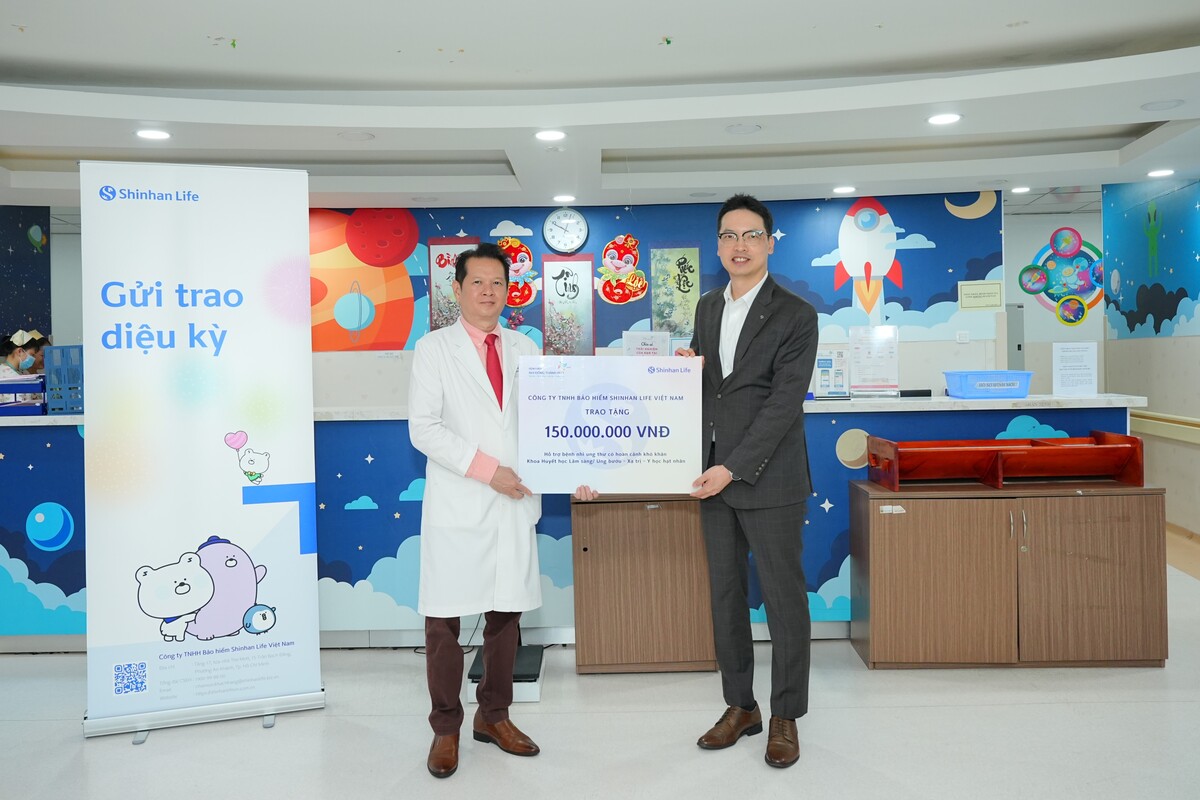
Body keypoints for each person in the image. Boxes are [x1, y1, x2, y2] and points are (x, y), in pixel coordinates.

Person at [676, 194, 819, 769]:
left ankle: (785, 715)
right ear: (718, 245)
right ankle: (741, 706)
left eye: (752, 235)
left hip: (768, 477)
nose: (740, 245)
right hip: (711, 476)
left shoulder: (796, 314)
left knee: (784, 600)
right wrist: (682, 373)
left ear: (770, 243)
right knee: (726, 596)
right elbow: (710, 387)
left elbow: (783, 404)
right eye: (729, 236)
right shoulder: (707, 307)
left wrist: (733, 467)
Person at [408, 242, 544, 779]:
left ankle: (494, 716)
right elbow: (424, 429)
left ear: (509, 291)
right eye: (478, 282)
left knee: (506, 616)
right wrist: (489, 471)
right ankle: (446, 727)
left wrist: (573, 468)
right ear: (458, 289)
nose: (489, 292)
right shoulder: (433, 349)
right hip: (461, 499)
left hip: (514, 502)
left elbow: (548, 422)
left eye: (497, 283)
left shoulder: (526, 348)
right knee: (444, 620)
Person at [0, 336, 39, 403]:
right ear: (20, 351)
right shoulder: (6, 376)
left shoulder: (23, 372)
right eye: (32, 355)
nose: (33, 359)